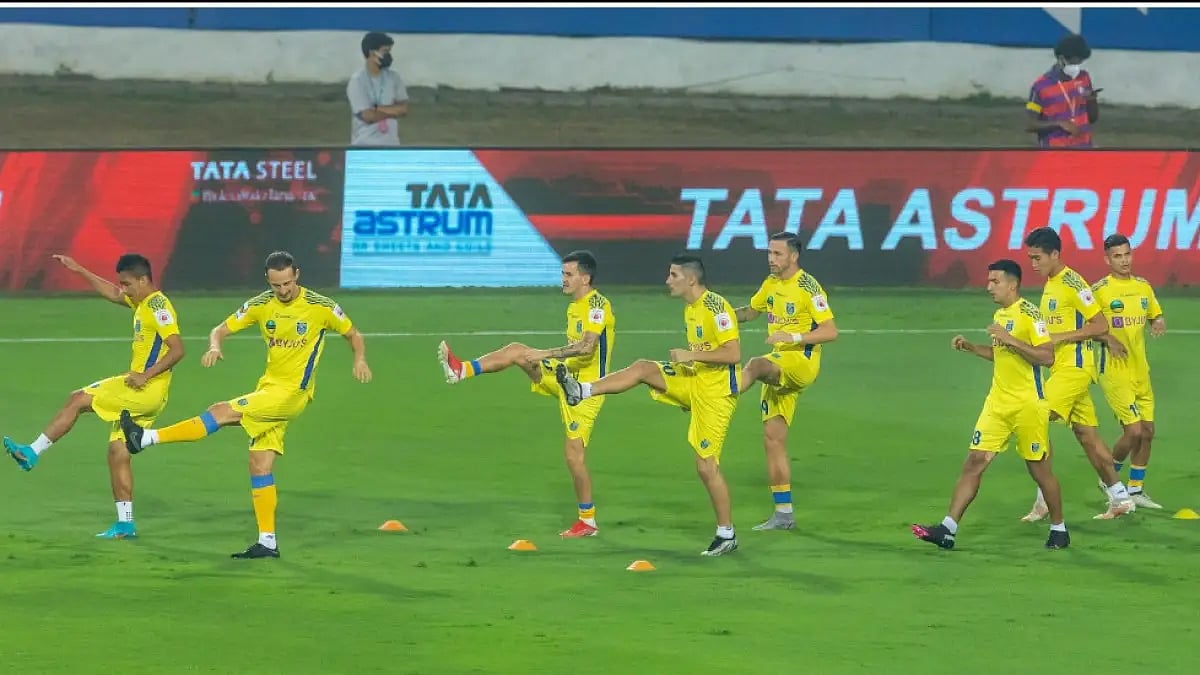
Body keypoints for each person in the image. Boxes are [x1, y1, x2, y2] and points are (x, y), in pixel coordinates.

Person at [119, 251, 373, 559]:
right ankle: (267, 542)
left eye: (288, 283)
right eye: (277, 285)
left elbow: (353, 334)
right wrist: (215, 346)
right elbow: (220, 329)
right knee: (259, 464)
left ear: (297, 275)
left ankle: (145, 438)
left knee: (221, 412)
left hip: (292, 394)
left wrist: (359, 360)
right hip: (268, 388)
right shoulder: (260, 304)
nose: (283, 291)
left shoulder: (321, 307)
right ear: (268, 280)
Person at [556, 254, 743, 557]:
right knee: (643, 368)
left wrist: (692, 356)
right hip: (693, 382)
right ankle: (582, 390)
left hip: (715, 395)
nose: (667, 281)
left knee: (706, 466)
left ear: (691, 279)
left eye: (673, 275)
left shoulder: (715, 307)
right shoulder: (691, 308)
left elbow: (733, 354)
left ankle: (727, 535)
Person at [3, 253, 184, 540]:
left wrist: (145, 376)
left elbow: (178, 349)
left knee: (78, 398)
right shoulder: (141, 301)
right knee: (118, 452)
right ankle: (126, 525)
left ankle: (32, 451)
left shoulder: (158, 306)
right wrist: (80, 269)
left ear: (143, 279)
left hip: (143, 390)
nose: (122, 289)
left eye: (127, 284)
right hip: (147, 393)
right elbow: (113, 294)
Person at [436, 251, 616, 538]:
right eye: (562, 273)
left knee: (573, 456)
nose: (563, 279)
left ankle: (588, 522)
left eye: (569, 274)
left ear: (585, 277)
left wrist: (544, 354)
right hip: (563, 376)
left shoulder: (597, 304)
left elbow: (586, 347)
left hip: (584, 391)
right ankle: (462, 370)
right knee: (517, 351)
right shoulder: (574, 306)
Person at [913, 260, 1068, 550]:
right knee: (973, 463)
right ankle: (948, 529)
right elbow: (1003, 356)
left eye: (994, 282)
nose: (988, 287)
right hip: (997, 404)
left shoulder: (1029, 314)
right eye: (988, 282)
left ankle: (1059, 528)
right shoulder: (1000, 314)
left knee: (1039, 470)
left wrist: (1010, 339)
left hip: (1028, 406)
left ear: (1013, 284)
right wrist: (972, 348)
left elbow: (1047, 357)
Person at [1021, 226, 1134, 521]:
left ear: (1054, 254)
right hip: (1061, 368)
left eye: (1037, 258)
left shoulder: (1073, 282)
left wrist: (1060, 337)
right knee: (1087, 436)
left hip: (1074, 368)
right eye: (1030, 258)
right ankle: (1121, 498)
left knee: (1036, 418)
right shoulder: (1051, 283)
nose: (1033, 264)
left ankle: (1044, 499)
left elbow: (1100, 325)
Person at [732, 232, 838, 531]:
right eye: (769, 253)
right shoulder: (771, 284)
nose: (771, 259)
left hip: (800, 362)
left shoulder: (808, 287)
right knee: (773, 439)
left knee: (754, 365)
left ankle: (717, 396)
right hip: (779, 366)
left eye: (777, 254)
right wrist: (719, 315)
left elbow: (831, 331)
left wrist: (792, 337)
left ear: (794, 256)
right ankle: (784, 514)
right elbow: (752, 311)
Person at [1090, 234, 1166, 509]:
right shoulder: (1098, 290)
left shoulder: (1143, 287)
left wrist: (1157, 321)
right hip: (1113, 370)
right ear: (1107, 259)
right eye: (1117, 256)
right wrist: (1107, 339)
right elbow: (1086, 328)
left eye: (1127, 255)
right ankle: (1108, 476)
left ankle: (1135, 490)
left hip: (1140, 370)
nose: (1123, 261)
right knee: (1132, 431)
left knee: (1147, 430)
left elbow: (1154, 314)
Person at [1025, 33, 1100, 149]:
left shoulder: (1084, 78)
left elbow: (1093, 118)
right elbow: (1030, 124)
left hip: (1084, 150)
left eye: (1079, 63)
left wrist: (1092, 100)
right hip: (1054, 153)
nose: (1076, 67)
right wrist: (1058, 124)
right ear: (1061, 59)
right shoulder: (1040, 86)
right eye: (1073, 63)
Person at [346, 31, 409, 146]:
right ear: (371, 53)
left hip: (392, 145)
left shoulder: (394, 77)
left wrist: (377, 108)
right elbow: (368, 116)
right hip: (364, 144)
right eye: (385, 51)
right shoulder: (357, 81)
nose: (388, 56)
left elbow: (404, 109)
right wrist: (393, 111)